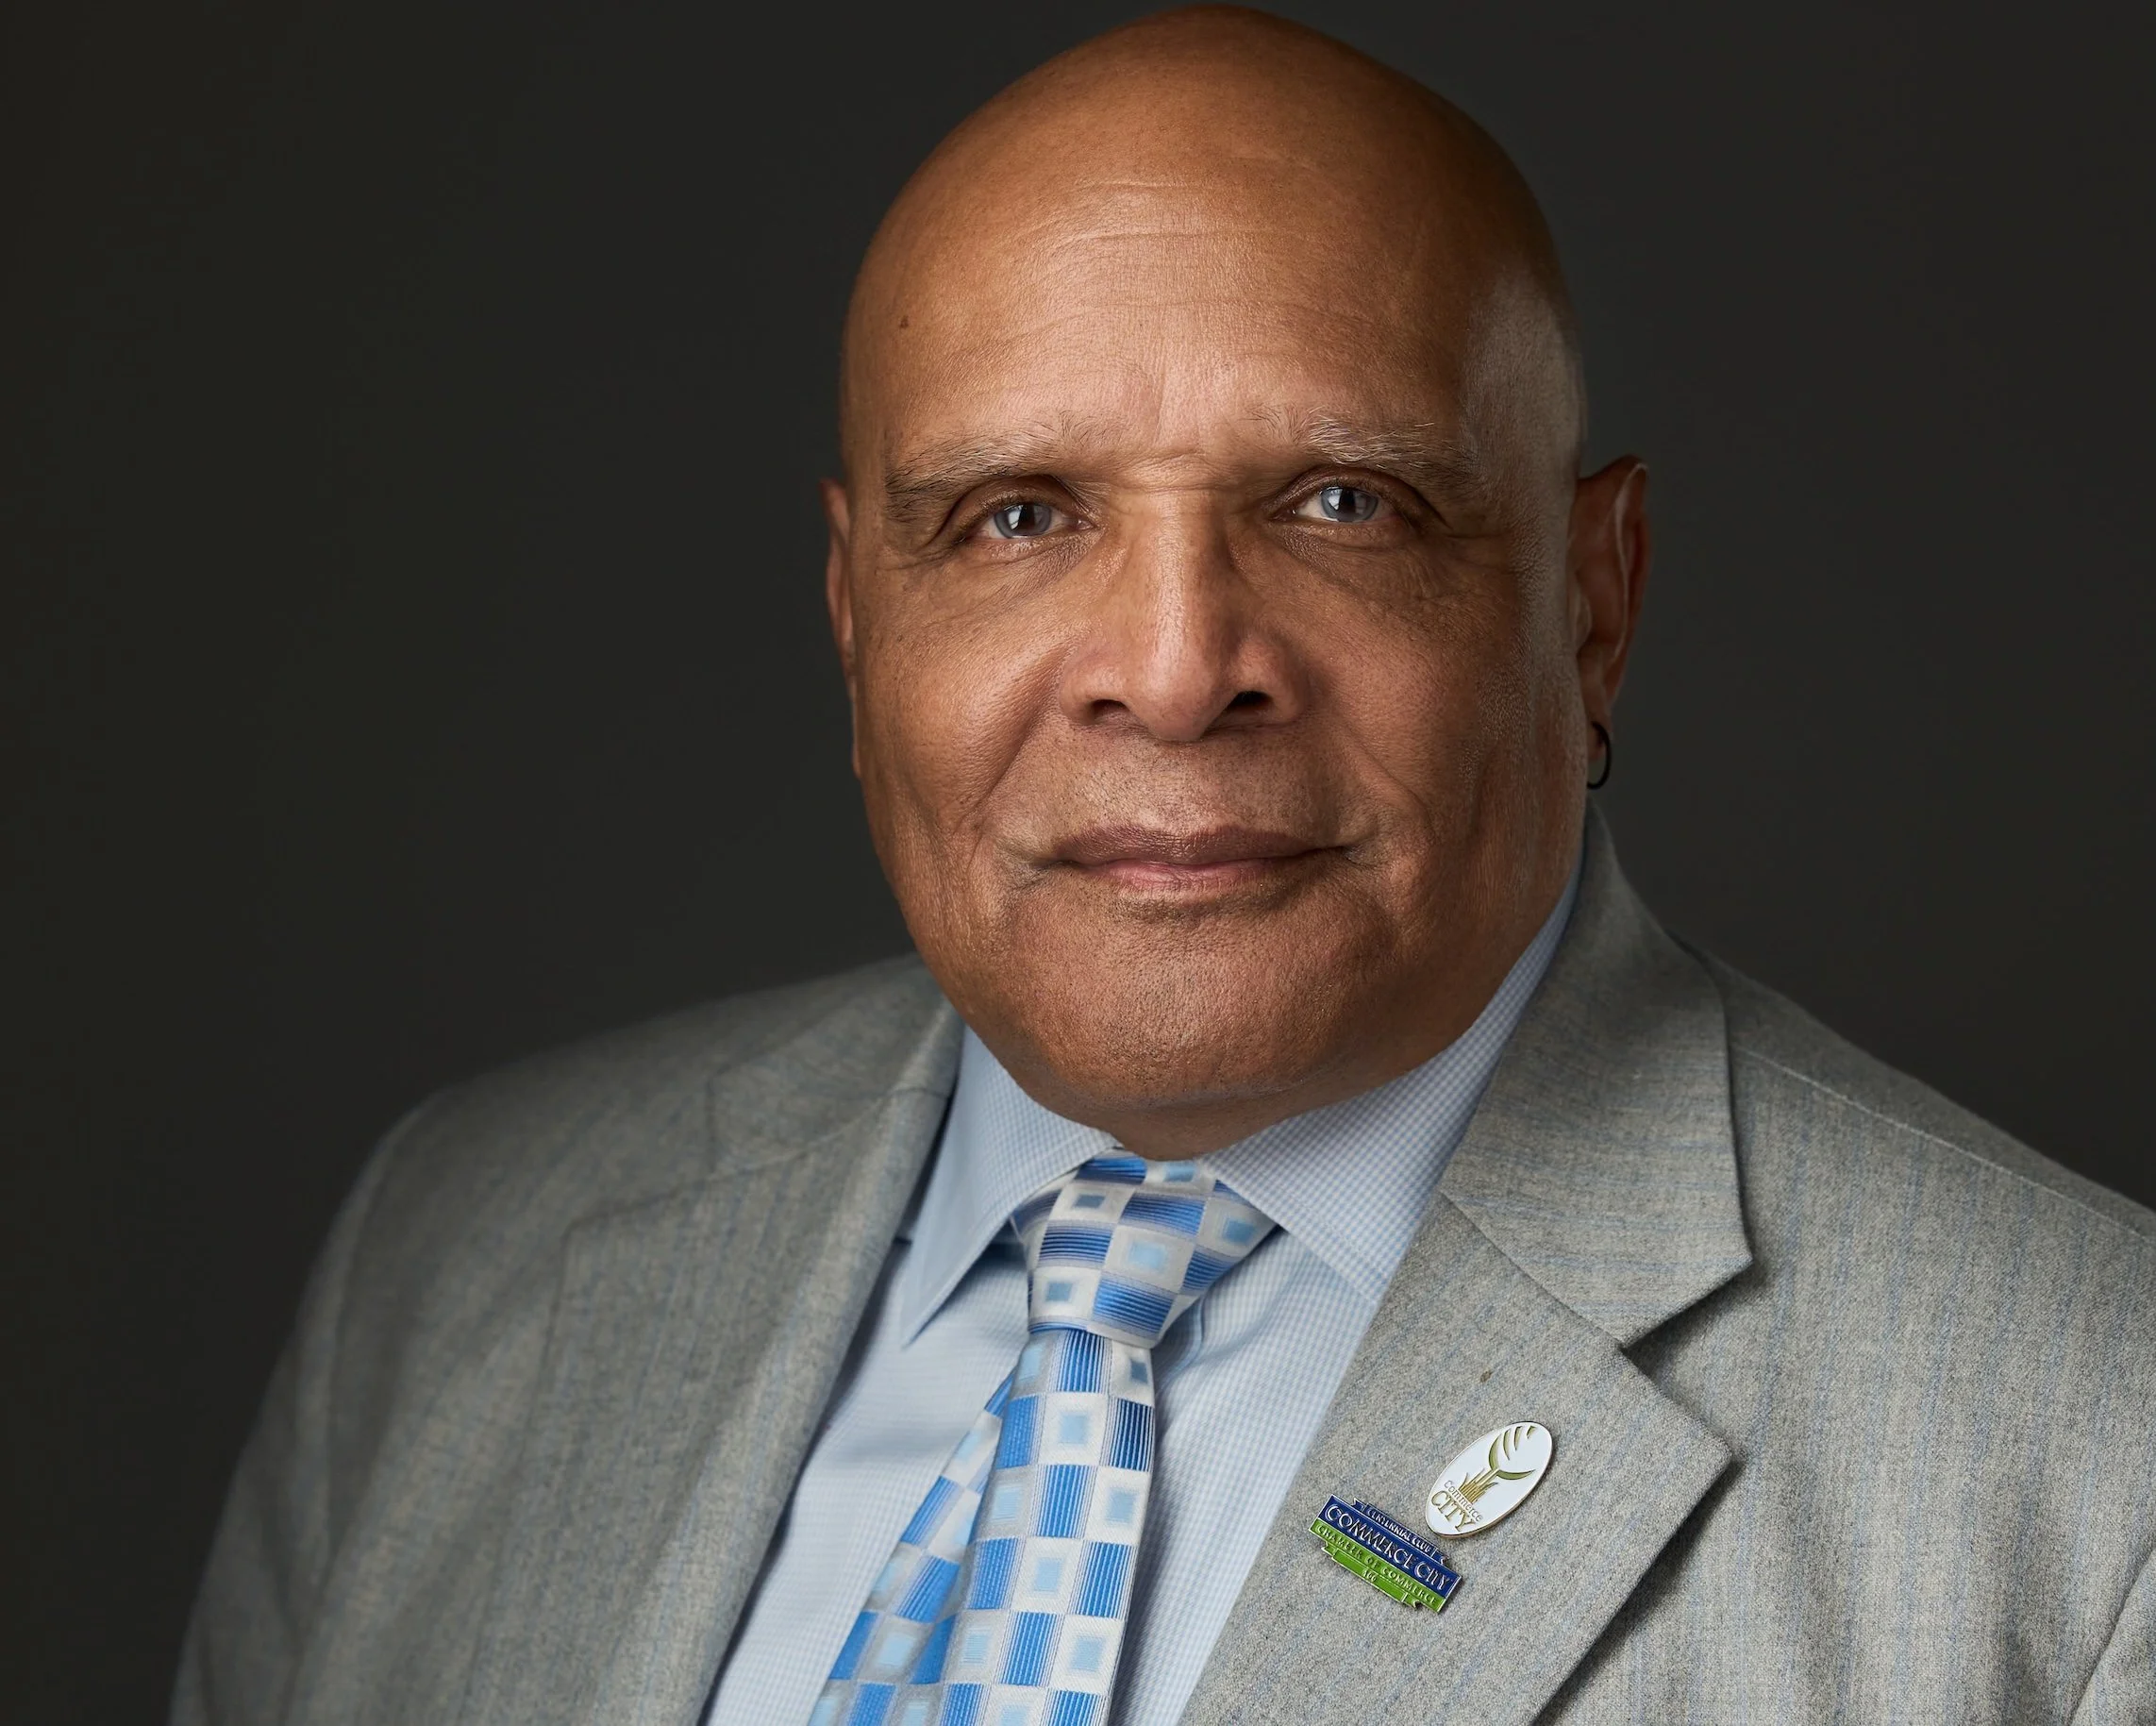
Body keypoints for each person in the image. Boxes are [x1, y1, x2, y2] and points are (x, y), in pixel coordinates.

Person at [175, 9, 2156, 1724]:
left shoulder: (2085, 1458)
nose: (1173, 663)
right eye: (1016, 515)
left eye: (1340, 499)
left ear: (1592, 606)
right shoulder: (455, 1261)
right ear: (858, 615)